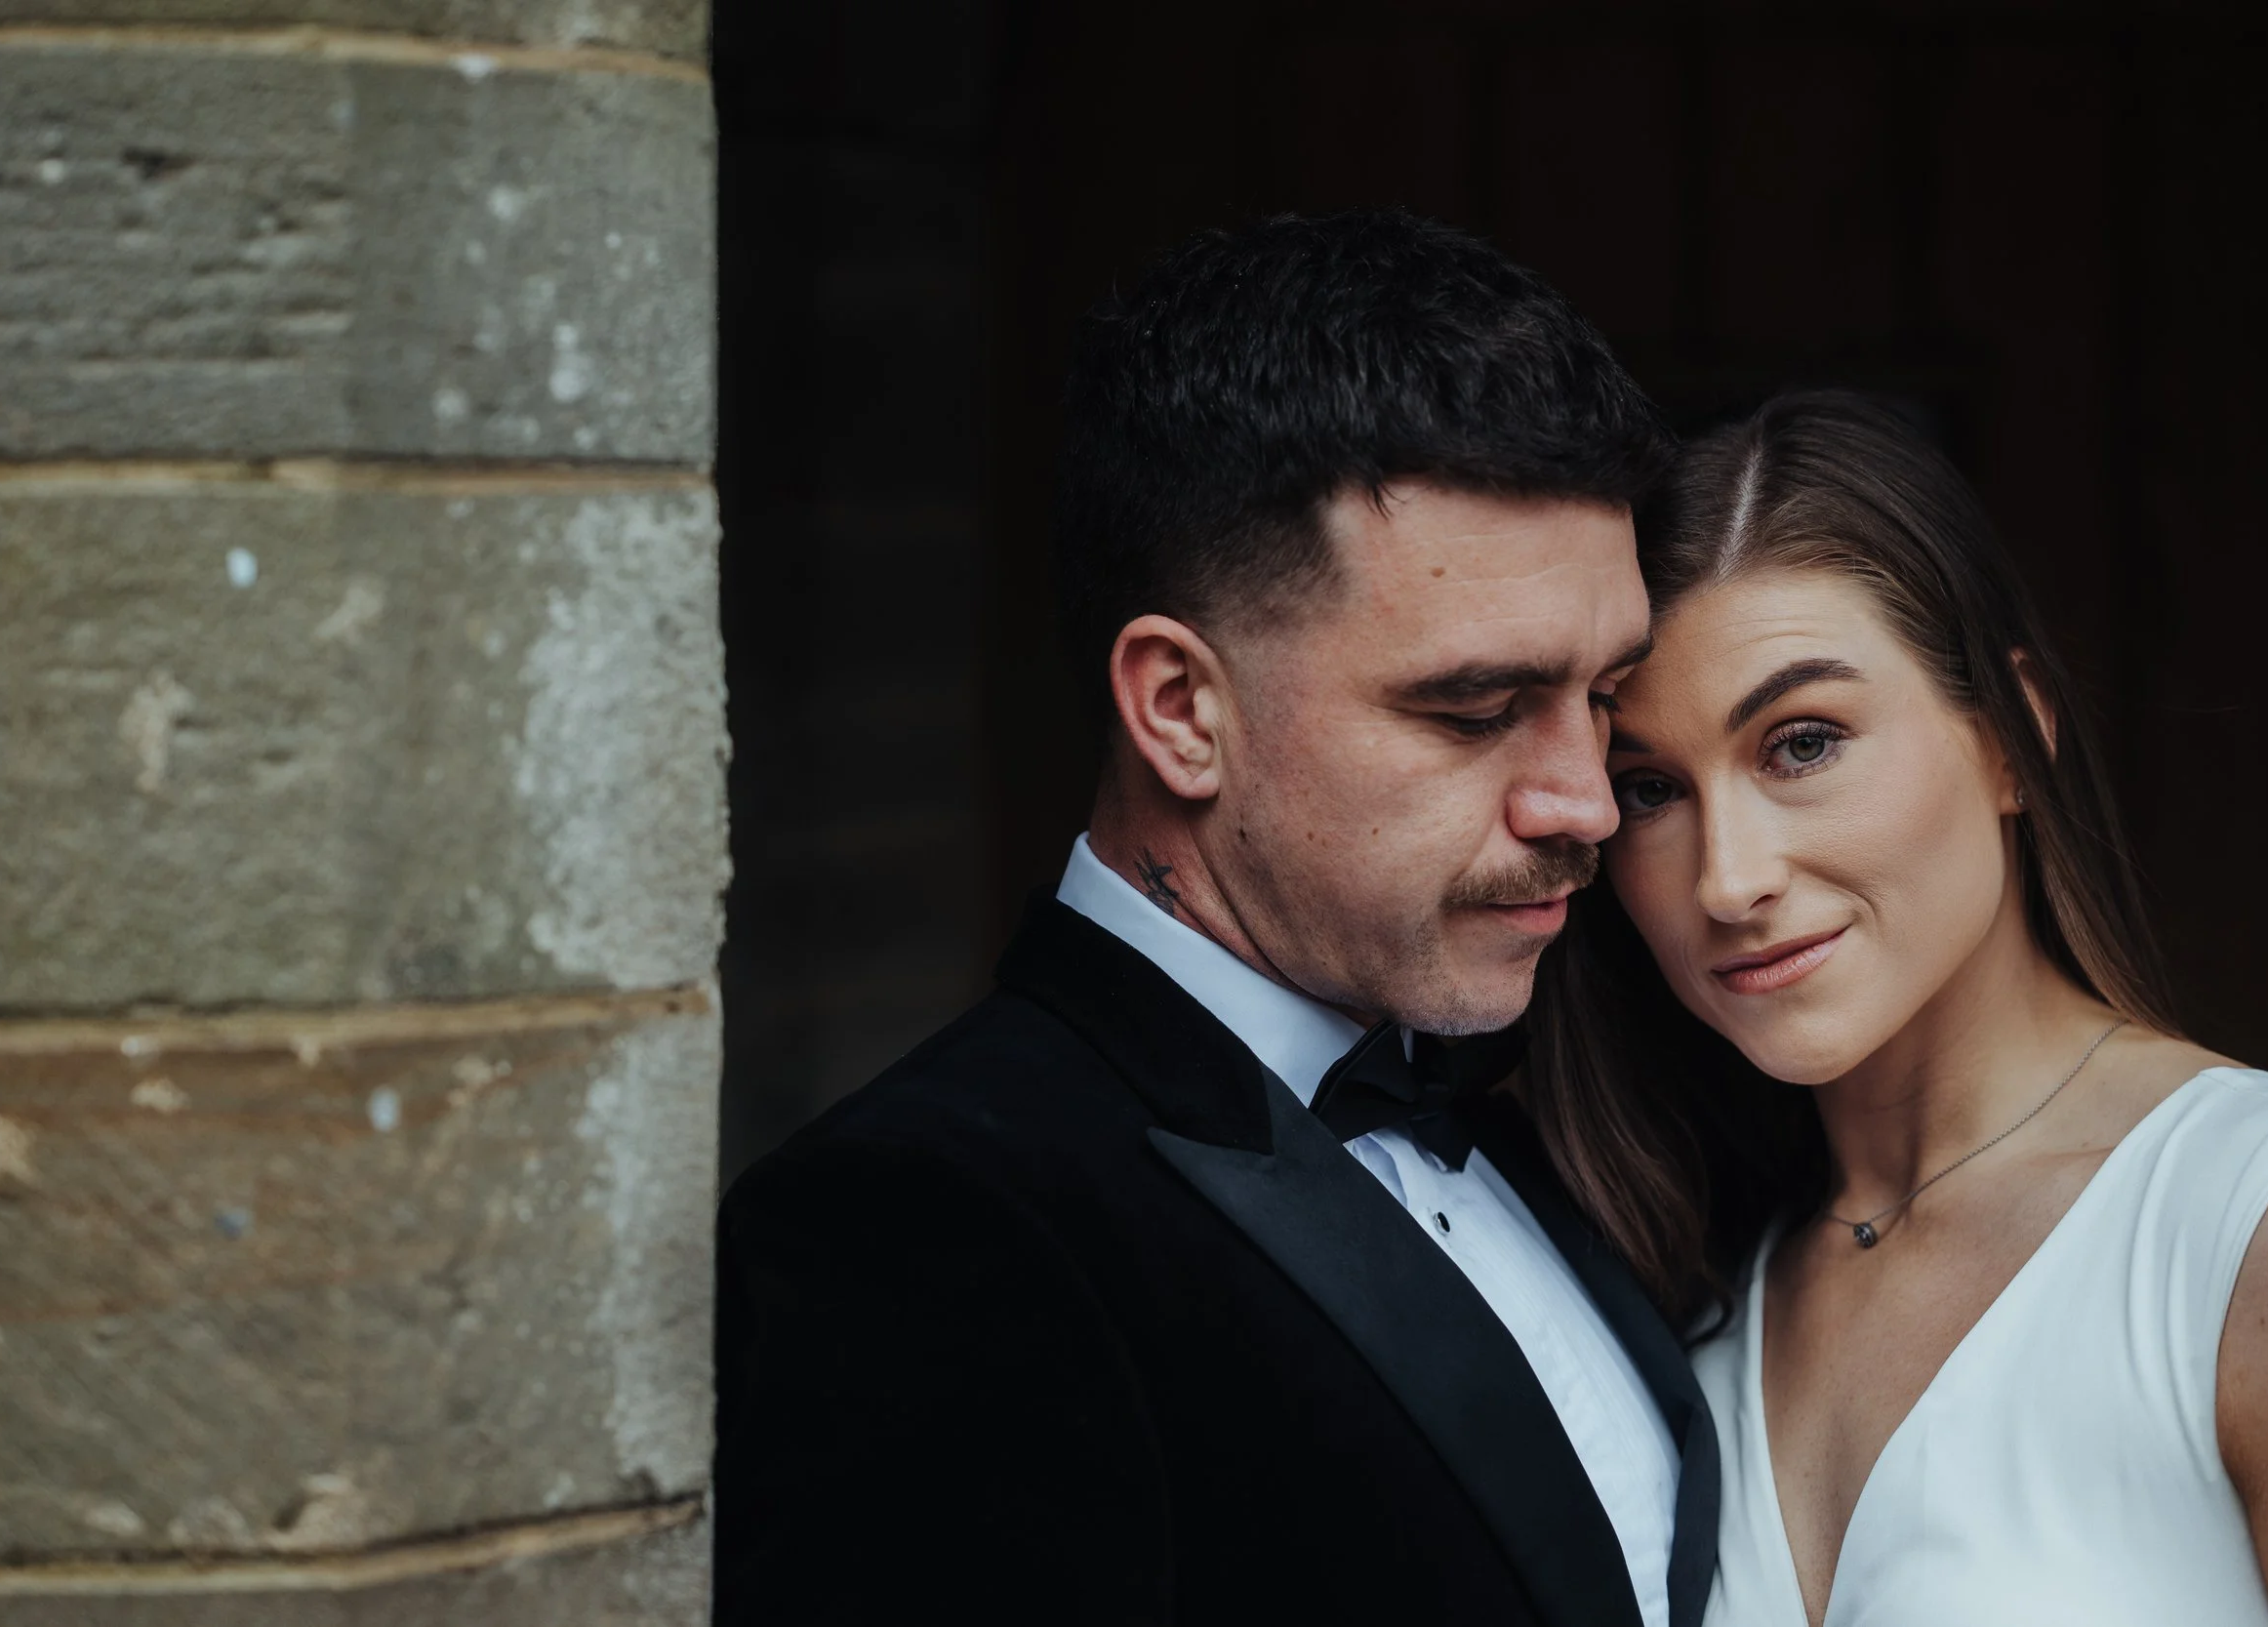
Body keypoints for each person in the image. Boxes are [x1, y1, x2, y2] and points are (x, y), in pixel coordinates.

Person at [716, 210, 1721, 1625]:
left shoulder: (1535, 1081)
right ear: (1183, 710)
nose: (1585, 803)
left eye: (1605, 695)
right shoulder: (926, 1227)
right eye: (1479, 709)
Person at [1531, 389, 2268, 1626]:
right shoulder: (1672, 1291)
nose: (1728, 876)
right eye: (1647, 787)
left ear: (2014, 735)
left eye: (1801, 743)